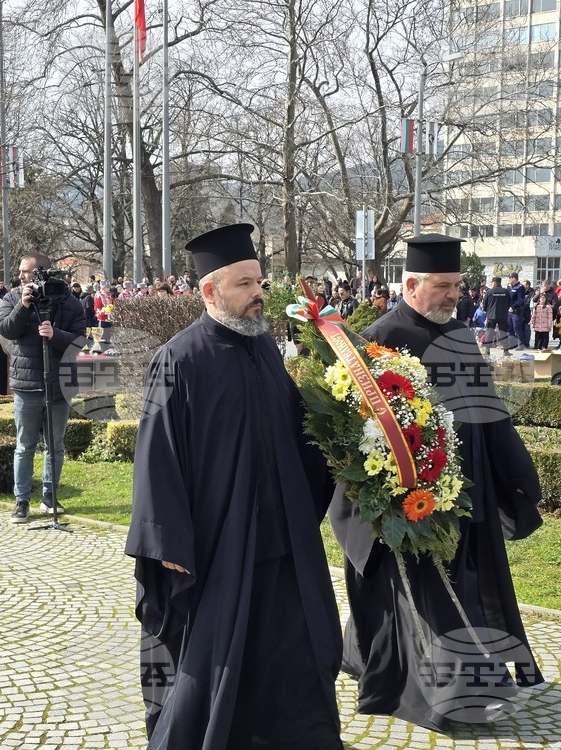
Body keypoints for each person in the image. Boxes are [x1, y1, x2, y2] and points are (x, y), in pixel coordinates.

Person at [125, 224, 343, 750]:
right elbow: (156, 457)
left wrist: (347, 452)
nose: (258, 295)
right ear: (210, 291)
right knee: (216, 659)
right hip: (221, 544)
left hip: (285, 541)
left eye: (260, 282)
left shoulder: (264, 347)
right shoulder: (178, 359)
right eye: (245, 284)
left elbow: (296, 433)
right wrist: (168, 543)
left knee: (296, 649)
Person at [330, 233, 543, 733]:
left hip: (467, 491)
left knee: (454, 584)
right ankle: (457, 696)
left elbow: (489, 414)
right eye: (444, 286)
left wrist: (518, 475)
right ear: (411, 284)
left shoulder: (463, 334)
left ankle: (370, 658)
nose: (454, 295)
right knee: (428, 593)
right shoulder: (379, 339)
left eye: (458, 286)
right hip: (409, 502)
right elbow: (354, 431)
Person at [0, 253, 86, 523]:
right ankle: (21, 501)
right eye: (21, 271)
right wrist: (23, 307)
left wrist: (55, 335)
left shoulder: (69, 301)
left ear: (42, 272)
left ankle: (49, 496)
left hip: (59, 385)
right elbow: (5, 329)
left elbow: (80, 340)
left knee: (55, 447)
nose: (21, 275)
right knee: (24, 446)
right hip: (27, 384)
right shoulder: (13, 297)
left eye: (26, 271)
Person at [482, 276, 510, 350]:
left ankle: (487, 350)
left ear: (494, 283)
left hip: (491, 315)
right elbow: (509, 303)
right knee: (503, 333)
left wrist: (487, 311)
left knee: (489, 333)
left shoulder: (489, 292)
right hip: (503, 315)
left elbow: (484, 304)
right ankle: (506, 350)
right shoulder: (506, 291)